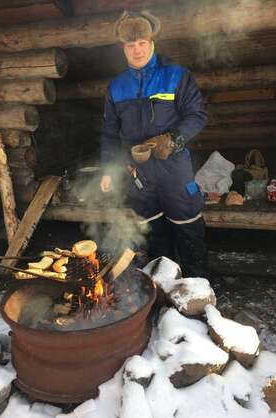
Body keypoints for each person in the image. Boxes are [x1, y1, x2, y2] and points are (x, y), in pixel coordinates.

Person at [99, 11, 209, 278]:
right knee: (152, 230)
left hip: (174, 166)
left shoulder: (176, 76)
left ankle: (198, 289)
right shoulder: (116, 87)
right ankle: (164, 287)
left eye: (142, 43)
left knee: (186, 224)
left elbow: (197, 115)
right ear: (123, 48)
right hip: (138, 172)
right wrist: (108, 169)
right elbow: (110, 133)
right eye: (130, 45)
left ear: (152, 43)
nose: (137, 50)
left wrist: (173, 139)